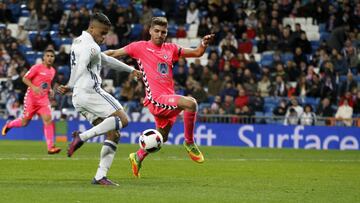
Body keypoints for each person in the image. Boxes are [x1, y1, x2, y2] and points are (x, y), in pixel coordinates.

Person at [105, 17, 215, 178]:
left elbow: (197, 53)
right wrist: (94, 56)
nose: (159, 34)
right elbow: (114, 53)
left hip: (168, 99)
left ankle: (137, 156)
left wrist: (203, 44)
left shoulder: (171, 49)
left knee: (161, 137)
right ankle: (189, 142)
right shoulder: (139, 47)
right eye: (156, 31)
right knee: (191, 104)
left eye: (163, 32)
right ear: (150, 31)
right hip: (156, 99)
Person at [57, 13, 142, 186]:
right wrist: (70, 83)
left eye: (106, 33)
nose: (104, 37)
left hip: (78, 98)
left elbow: (106, 60)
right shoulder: (91, 47)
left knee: (114, 133)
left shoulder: (78, 42)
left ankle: (100, 176)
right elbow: (81, 66)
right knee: (122, 120)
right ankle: (82, 137)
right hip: (90, 91)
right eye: (102, 33)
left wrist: (130, 69)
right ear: (92, 28)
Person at [1, 49, 61, 154]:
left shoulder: (53, 71)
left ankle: (51, 147)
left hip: (43, 100)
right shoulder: (36, 67)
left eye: (52, 56)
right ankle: (9, 125)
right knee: (24, 123)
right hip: (31, 99)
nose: (50, 58)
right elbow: (25, 78)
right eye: (47, 56)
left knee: (48, 119)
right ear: (43, 57)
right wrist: (33, 87)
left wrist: (50, 90)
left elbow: (47, 82)